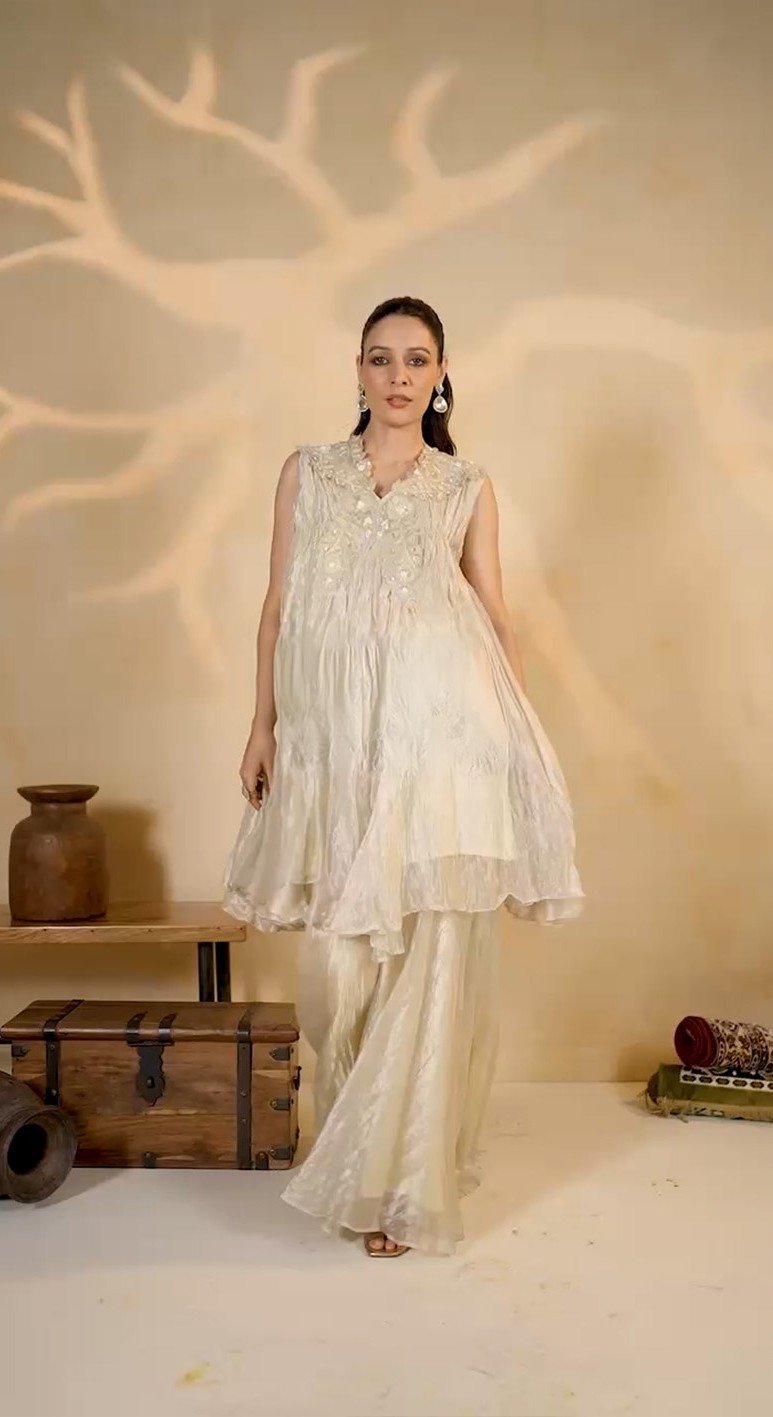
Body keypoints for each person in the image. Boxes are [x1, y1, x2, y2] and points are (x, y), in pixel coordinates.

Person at [222, 295, 585, 1258]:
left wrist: (518, 739)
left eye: (416, 359)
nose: (397, 376)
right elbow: (275, 606)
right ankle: (356, 1155)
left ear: (440, 374)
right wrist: (261, 724)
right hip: (334, 741)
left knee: (428, 949)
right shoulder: (308, 472)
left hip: (439, 740)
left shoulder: (465, 486)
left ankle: (393, 1181)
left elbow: (492, 613)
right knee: (339, 970)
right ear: (356, 369)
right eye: (380, 358)